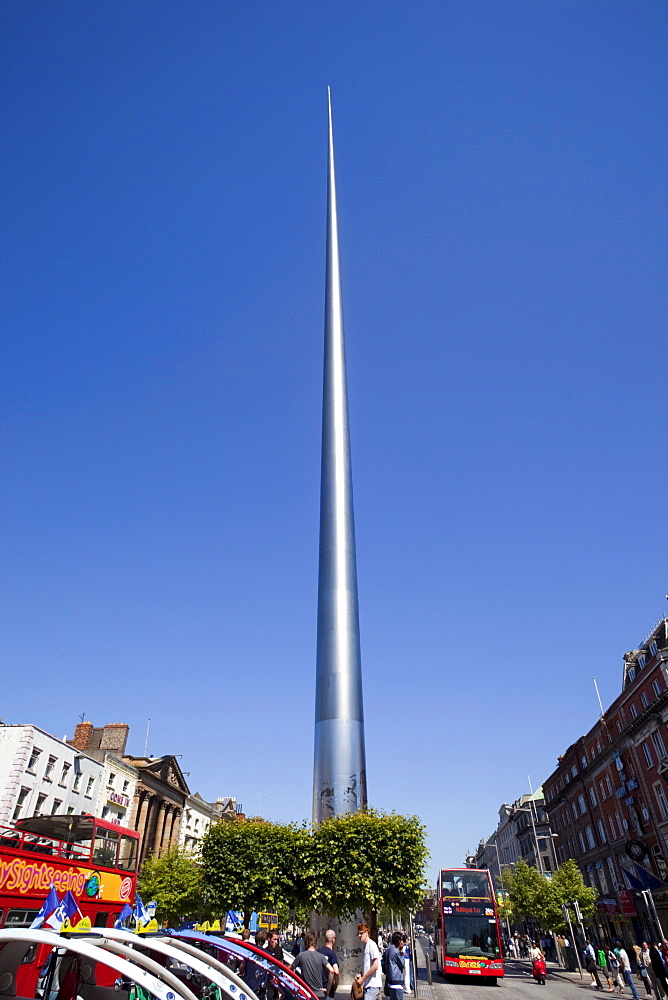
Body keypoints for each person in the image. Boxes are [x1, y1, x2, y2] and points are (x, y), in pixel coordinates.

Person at [292, 932, 333, 1000]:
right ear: (315, 942)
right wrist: (327, 990)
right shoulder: (321, 957)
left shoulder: (301, 956)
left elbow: (291, 968)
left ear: (306, 942)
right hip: (319, 995)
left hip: (306, 994)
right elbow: (332, 971)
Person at [355, 924, 382, 1000]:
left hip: (372, 986)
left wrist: (363, 978)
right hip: (368, 985)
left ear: (366, 933)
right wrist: (361, 975)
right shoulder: (366, 946)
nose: (359, 935)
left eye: (361, 933)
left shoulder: (372, 945)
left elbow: (375, 965)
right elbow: (368, 965)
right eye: (358, 933)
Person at [382, 931, 405, 1000]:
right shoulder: (396, 951)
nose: (402, 942)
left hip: (390, 979)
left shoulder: (389, 948)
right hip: (396, 980)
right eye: (401, 940)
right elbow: (402, 963)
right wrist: (401, 952)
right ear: (398, 941)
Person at [317, 930, 340, 999]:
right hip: (327, 988)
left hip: (318, 987)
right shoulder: (332, 954)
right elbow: (336, 971)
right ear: (333, 939)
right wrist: (335, 985)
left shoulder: (318, 951)